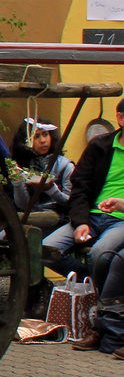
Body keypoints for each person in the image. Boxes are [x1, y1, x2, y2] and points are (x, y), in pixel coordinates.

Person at [45, 98, 124, 353]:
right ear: (121, 119)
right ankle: (90, 279)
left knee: (101, 253)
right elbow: (80, 189)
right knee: (45, 248)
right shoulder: (100, 145)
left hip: (120, 219)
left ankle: (98, 325)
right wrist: (80, 223)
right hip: (90, 217)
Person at [11, 119, 74, 212]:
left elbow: (71, 203)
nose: (43, 140)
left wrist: (51, 189)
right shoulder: (24, 165)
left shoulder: (65, 166)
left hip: (59, 219)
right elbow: (23, 206)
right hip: (33, 219)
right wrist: (17, 183)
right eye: (36, 136)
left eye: (45, 134)